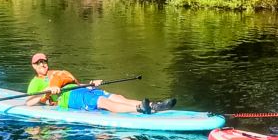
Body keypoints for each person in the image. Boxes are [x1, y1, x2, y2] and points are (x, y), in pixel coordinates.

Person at [25, 53, 175, 114]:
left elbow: (72, 83)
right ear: (34, 66)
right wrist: (48, 91)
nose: (43, 65)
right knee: (102, 102)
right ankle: (138, 109)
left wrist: (89, 84)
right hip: (67, 98)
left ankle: (154, 105)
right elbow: (29, 103)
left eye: (44, 62)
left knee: (117, 96)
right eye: (39, 63)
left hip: (79, 91)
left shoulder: (55, 73)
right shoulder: (35, 83)